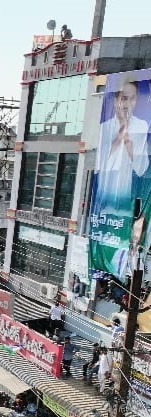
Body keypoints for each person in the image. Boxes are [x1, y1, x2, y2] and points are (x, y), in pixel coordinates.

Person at [94, 78, 150, 279]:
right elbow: (99, 167)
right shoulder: (106, 126)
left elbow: (142, 168)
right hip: (104, 199)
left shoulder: (141, 125)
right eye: (123, 98)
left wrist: (129, 142)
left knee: (126, 240)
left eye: (132, 99)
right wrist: (117, 140)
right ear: (117, 100)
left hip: (126, 197)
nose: (127, 104)